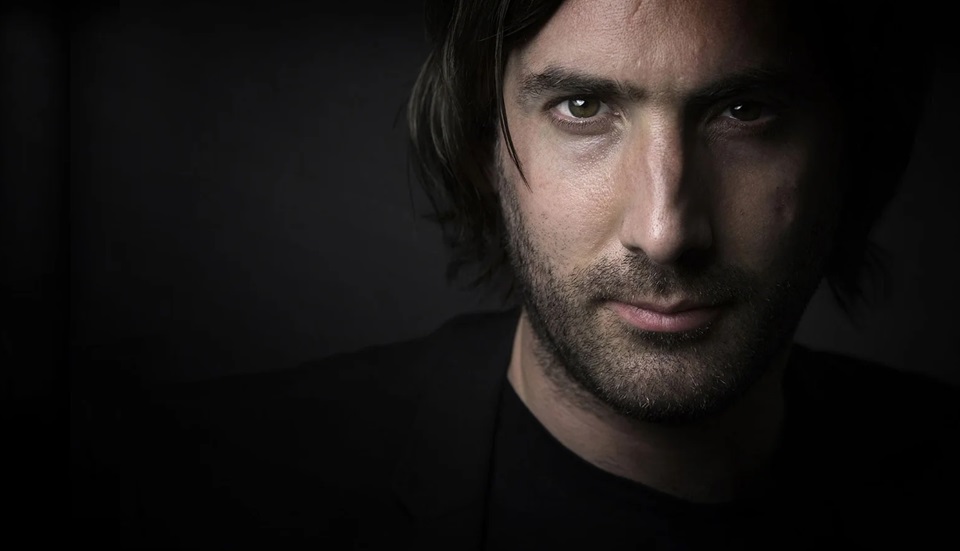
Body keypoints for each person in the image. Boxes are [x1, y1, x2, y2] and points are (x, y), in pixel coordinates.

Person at [72, 0, 957, 549]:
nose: (665, 231)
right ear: (481, 144)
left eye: (744, 110)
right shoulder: (186, 496)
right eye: (584, 107)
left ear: (849, 147)